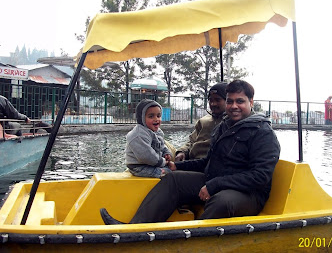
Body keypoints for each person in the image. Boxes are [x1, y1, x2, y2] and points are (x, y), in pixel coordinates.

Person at [100, 79, 280, 224]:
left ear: (251, 102)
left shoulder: (262, 132)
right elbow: (208, 162)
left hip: (248, 194)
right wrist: (177, 166)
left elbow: (260, 176)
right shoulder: (224, 127)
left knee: (221, 201)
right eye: (230, 101)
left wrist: (215, 185)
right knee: (173, 179)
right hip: (216, 180)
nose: (234, 106)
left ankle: (192, 242)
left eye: (240, 101)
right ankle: (135, 229)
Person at [175, 82, 227, 161]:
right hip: (190, 159)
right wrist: (182, 152)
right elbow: (191, 141)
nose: (213, 104)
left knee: (168, 173)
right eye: (210, 100)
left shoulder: (229, 122)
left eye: (218, 100)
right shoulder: (203, 121)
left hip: (204, 164)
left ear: (228, 101)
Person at [125, 99, 173, 178]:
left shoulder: (157, 131)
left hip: (152, 163)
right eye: (151, 116)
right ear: (142, 118)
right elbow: (146, 156)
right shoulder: (138, 135)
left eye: (158, 116)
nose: (156, 119)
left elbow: (162, 145)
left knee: (172, 169)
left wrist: (166, 153)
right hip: (139, 167)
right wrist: (163, 162)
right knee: (169, 172)